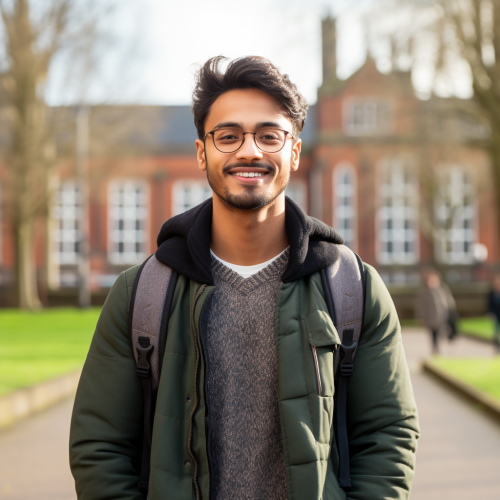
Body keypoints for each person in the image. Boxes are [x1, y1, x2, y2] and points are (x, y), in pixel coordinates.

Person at [69, 56, 419, 500]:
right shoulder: (142, 294)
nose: (249, 151)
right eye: (228, 136)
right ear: (202, 152)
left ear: (294, 150)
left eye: (269, 135)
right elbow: (100, 445)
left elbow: (389, 435)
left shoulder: (354, 289)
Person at [415, 268, 457, 354]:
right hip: (430, 318)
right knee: (433, 334)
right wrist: (420, 316)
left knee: (442, 332)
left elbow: (449, 301)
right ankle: (435, 349)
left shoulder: (442, 289)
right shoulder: (424, 293)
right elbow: (420, 306)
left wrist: (451, 310)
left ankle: (443, 344)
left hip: (442, 316)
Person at [487, 273, 500, 352]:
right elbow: (489, 304)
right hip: (496, 314)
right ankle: (496, 346)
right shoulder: (492, 293)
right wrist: (490, 313)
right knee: (496, 331)